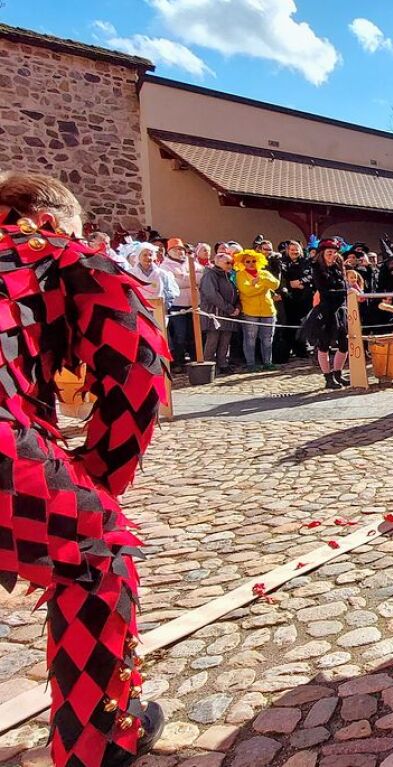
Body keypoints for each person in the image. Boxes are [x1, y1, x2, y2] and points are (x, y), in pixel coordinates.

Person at [0, 171, 167, 767]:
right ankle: (98, 744)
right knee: (97, 553)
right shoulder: (51, 251)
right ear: (54, 221)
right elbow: (139, 376)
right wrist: (96, 481)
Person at [301, 239, 350, 389]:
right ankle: (328, 378)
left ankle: (338, 374)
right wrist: (345, 292)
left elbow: (342, 287)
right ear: (322, 254)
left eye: (334, 253)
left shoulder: (337, 268)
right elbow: (325, 292)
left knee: (344, 344)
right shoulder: (317, 269)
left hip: (339, 310)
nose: (332, 255)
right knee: (324, 344)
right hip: (325, 310)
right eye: (329, 253)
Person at [234, 249, 280, 372]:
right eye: (248, 261)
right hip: (250, 312)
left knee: (267, 339)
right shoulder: (240, 274)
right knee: (250, 339)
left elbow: (276, 284)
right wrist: (263, 287)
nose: (251, 263)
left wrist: (260, 282)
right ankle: (251, 363)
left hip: (268, 311)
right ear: (243, 263)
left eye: (254, 261)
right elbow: (246, 291)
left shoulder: (264, 273)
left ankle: (267, 362)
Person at [162, 237, 202, 369]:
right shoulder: (165, 266)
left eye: (181, 249)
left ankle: (194, 359)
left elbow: (202, 275)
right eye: (176, 249)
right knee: (180, 334)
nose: (180, 252)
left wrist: (185, 277)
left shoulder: (191, 262)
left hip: (194, 303)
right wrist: (190, 278)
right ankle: (178, 361)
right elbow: (175, 283)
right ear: (169, 251)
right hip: (177, 304)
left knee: (193, 333)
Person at [199, 250, 240, 374]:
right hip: (215, 312)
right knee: (213, 339)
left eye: (231, 263)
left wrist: (237, 307)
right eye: (227, 263)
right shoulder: (210, 275)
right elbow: (212, 294)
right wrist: (229, 308)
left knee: (225, 340)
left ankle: (222, 363)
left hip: (228, 313)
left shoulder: (228, 275)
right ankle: (209, 364)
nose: (230, 265)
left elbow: (235, 293)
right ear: (218, 262)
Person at [278, 240, 314, 360]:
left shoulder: (307, 262)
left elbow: (311, 275)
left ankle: (301, 350)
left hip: (304, 298)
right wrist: (290, 284)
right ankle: (286, 352)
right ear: (288, 251)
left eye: (296, 249)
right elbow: (281, 278)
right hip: (288, 298)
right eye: (292, 249)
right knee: (289, 325)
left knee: (302, 324)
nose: (294, 251)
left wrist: (301, 282)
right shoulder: (282, 262)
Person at [127, 242, 180, 308]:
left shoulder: (162, 274)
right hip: (139, 311)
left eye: (150, 255)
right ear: (138, 256)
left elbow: (172, 291)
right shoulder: (130, 274)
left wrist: (165, 305)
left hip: (158, 311)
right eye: (145, 255)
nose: (148, 257)